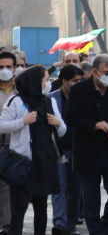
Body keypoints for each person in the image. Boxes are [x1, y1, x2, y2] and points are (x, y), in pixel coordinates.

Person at [66, 54, 108, 235]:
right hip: (88, 151)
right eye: (106, 72)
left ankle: (107, 223)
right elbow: (71, 117)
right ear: (95, 72)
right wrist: (94, 125)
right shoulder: (78, 90)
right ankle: (96, 231)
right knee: (91, 198)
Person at [0, 65, 66, 235]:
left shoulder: (49, 101)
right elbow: (1, 126)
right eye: (45, 80)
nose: (48, 83)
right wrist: (23, 121)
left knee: (41, 206)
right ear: (35, 83)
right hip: (24, 163)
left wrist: (58, 124)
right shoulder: (16, 101)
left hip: (45, 160)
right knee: (20, 206)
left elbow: (63, 129)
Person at [49, 64, 83, 235]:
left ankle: (71, 224)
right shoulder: (52, 99)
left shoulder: (83, 97)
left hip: (78, 150)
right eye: (74, 81)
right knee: (59, 188)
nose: (78, 83)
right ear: (64, 81)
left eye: (80, 80)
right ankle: (60, 224)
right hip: (58, 151)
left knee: (75, 189)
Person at [0, 51, 18, 234]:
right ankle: (7, 223)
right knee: (3, 185)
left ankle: (13, 221)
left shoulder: (20, 89)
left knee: (16, 186)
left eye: (8, 67)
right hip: (0, 145)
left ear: (14, 68)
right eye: (0, 67)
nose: (4, 70)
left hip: (19, 146)